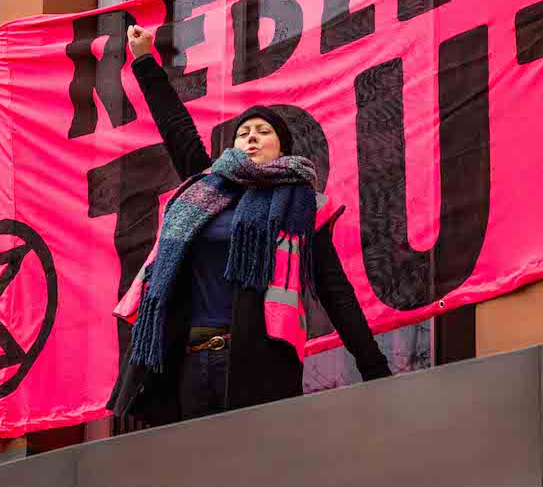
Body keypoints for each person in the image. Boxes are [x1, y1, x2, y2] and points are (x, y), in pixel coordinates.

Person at [108, 26, 390, 423]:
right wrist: (143, 58)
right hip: (189, 362)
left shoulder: (301, 207)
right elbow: (176, 128)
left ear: (282, 148)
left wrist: (374, 368)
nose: (251, 138)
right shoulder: (206, 188)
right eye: (243, 133)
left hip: (259, 362)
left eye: (263, 132)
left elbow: (336, 292)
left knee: (254, 459)